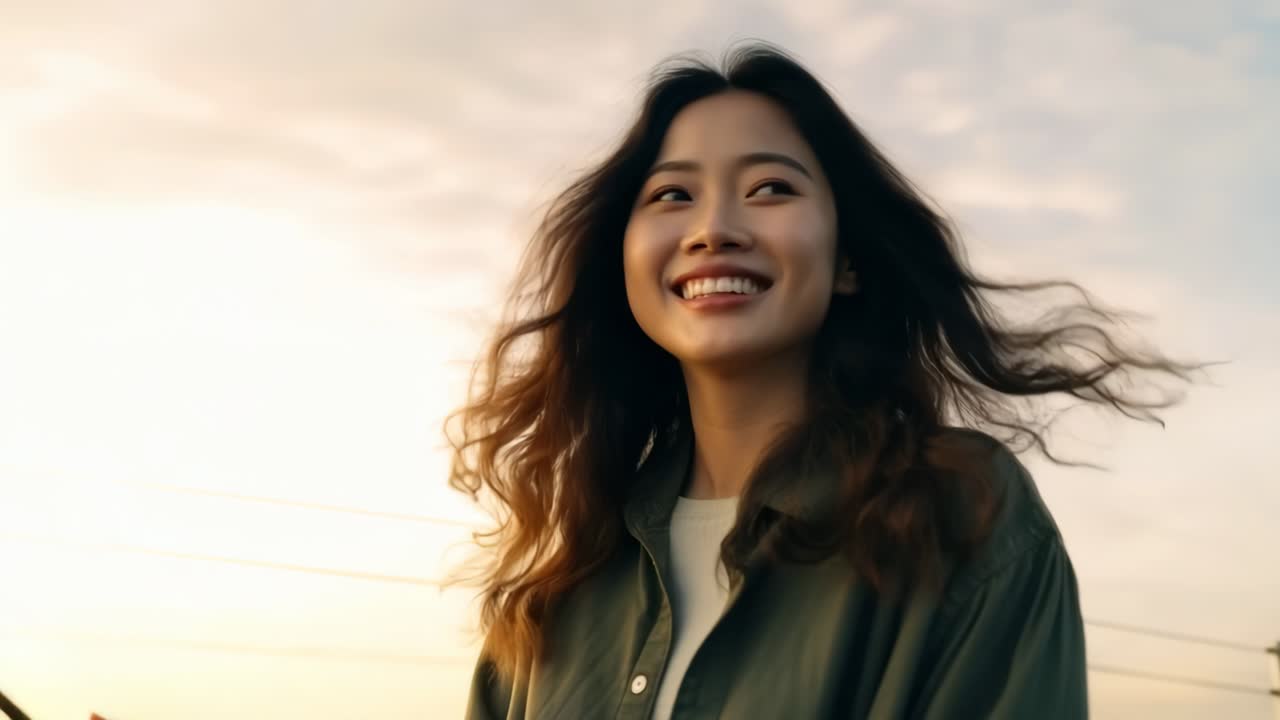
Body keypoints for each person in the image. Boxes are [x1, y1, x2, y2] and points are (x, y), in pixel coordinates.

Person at [444, 41, 1201, 719]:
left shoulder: (963, 515)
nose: (714, 228)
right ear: (626, 260)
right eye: (672, 194)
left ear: (848, 260)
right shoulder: (563, 579)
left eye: (771, 188)